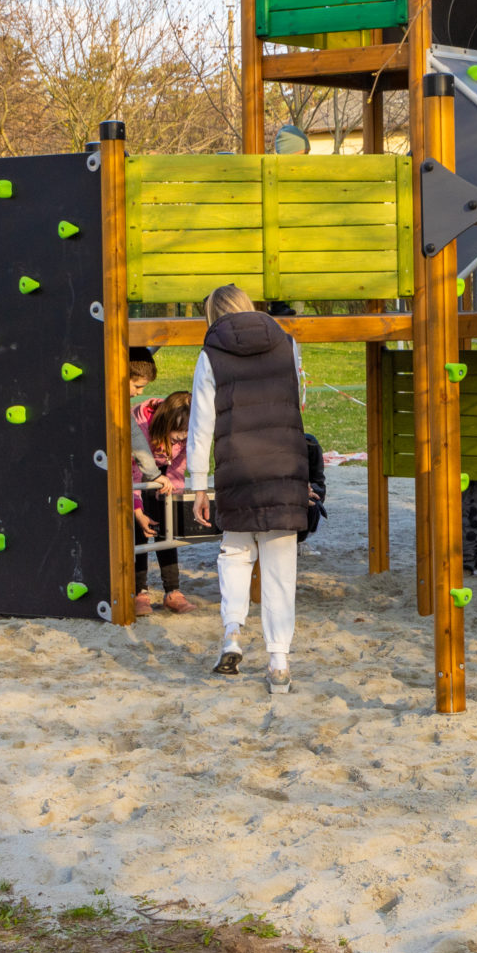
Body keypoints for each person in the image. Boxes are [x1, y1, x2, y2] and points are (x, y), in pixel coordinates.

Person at [187, 285, 311, 693]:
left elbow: (201, 425)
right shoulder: (287, 345)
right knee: (280, 566)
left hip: (237, 465)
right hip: (283, 462)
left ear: (213, 316)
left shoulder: (210, 354)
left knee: (235, 552)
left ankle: (232, 632)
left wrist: (198, 485)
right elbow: (297, 401)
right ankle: (279, 662)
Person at [132, 390, 195, 612]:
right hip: (135, 474)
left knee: (165, 525)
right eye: (178, 430)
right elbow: (133, 472)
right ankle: (139, 591)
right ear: (166, 422)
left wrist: (172, 502)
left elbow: (178, 468)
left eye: (187, 431)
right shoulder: (141, 425)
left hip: (161, 474)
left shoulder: (185, 435)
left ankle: (172, 591)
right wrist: (138, 511)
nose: (182, 436)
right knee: (139, 529)